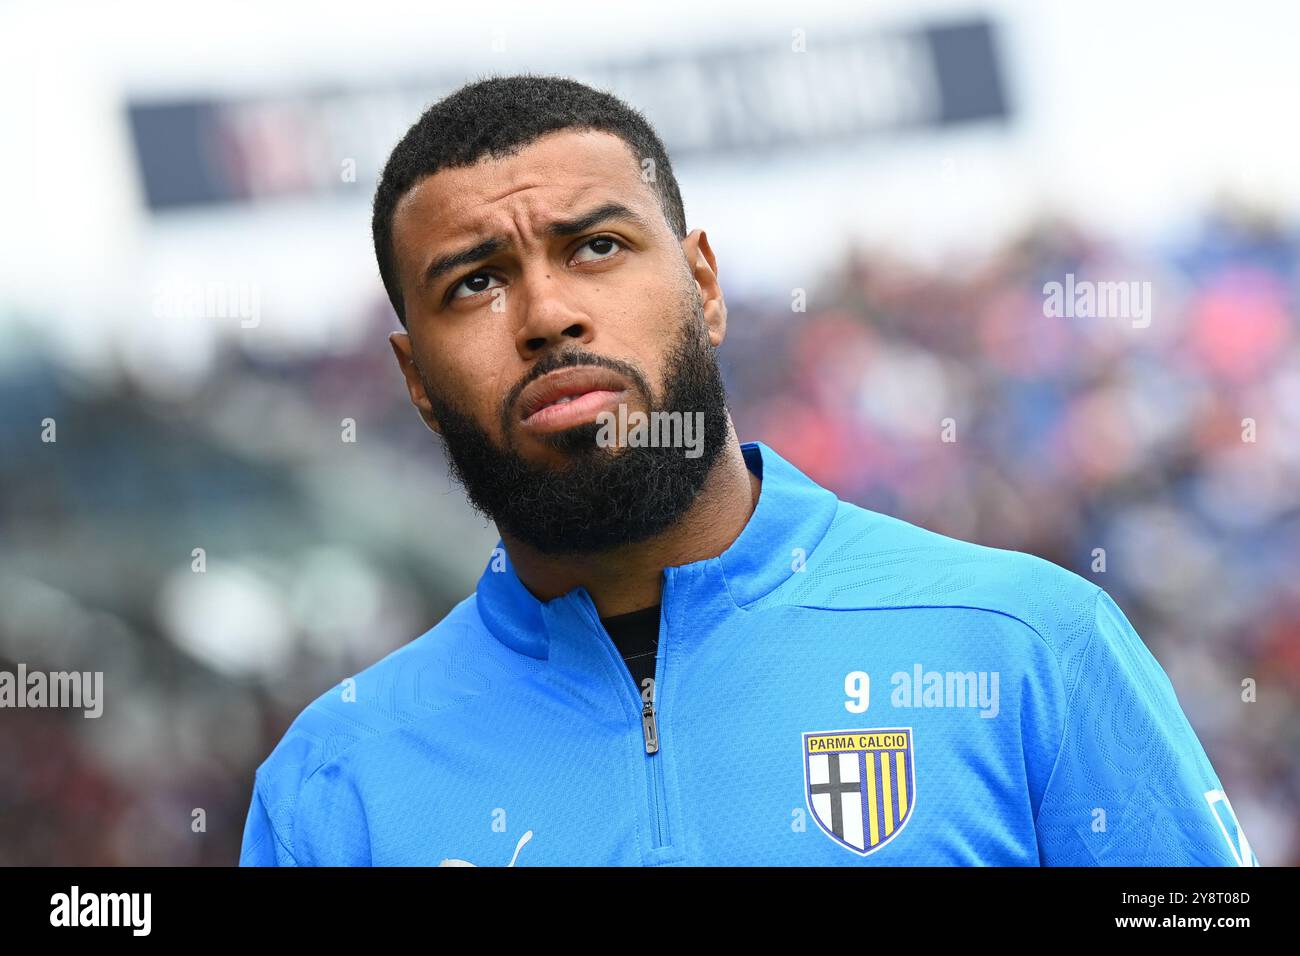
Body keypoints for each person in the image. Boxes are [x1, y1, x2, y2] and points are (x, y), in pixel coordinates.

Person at [239, 74, 1256, 866]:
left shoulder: (1026, 644)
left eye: (594, 245)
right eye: (474, 282)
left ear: (704, 286)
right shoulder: (336, 779)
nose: (546, 313)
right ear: (416, 378)